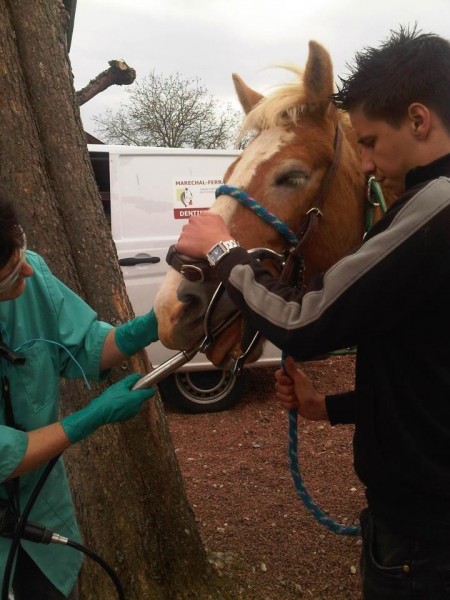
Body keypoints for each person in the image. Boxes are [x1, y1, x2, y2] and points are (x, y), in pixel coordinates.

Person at [175, 27, 450, 599]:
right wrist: (333, 406)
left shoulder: (436, 207)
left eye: (370, 142)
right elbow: (429, 375)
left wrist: (224, 251)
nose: (367, 165)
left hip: (423, 543)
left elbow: (305, 320)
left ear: (419, 121)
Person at [0, 189, 158, 599]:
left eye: (21, 254)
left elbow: (83, 344)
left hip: (41, 511)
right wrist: (91, 417)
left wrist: (146, 328)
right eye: (10, 272)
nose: (28, 273)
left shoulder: (30, 273)